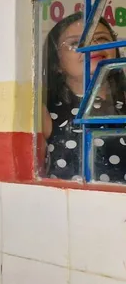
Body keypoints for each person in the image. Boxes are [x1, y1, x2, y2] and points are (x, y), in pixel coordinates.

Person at [42, 12, 126, 182]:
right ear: (57, 63)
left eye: (102, 39)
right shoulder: (44, 112)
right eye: (75, 43)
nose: (92, 46)